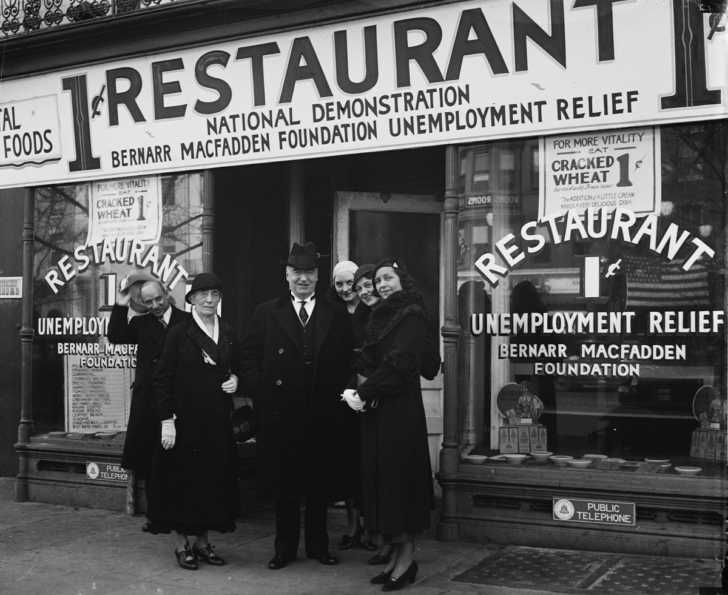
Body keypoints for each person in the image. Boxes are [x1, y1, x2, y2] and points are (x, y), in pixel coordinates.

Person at [240, 241, 355, 570]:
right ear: (286, 275)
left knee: (319, 483)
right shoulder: (267, 312)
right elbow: (247, 355)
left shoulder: (335, 312)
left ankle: (319, 547)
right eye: (297, 273)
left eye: (309, 273)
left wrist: (341, 391)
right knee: (285, 485)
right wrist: (262, 390)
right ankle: (284, 549)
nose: (303, 279)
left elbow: (349, 358)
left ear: (318, 276)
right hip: (281, 412)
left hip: (322, 411)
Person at [341, 258, 440, 591]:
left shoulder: (410, 314)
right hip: (379, 409)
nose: (382, 285)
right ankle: (397, 559)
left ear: (402, 280)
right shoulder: (382, 315)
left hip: (400, 412)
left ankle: (407, 561)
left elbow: (401, 364)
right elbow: (369, 359)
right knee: (385, 485)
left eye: (388, 278)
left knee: (400, 485)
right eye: (378, 280)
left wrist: (364, 390)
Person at [147, 272, 239, 570]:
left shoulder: (227, 330)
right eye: (203, 295)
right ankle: (181, 545)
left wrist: (237, 379)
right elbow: (162, 378)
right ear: (192, 299)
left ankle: (202, 543)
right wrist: (166, 420)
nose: (209, 300)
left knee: (211, 482)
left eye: (214, 294)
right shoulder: (179, 332)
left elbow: (236, 367)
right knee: (181, 483)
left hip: (215, 421)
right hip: (183, 422)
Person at [107, 274, 189, 531]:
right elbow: (116, 336)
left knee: (179, 460)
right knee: (153, 461)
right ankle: (157, 518)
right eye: (149, 302)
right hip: (148, 402)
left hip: (179, 400)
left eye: (158, 299)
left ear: (167, 294)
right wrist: (121, 304)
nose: (156, 305)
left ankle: (182, 515)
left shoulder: (186, 321)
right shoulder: (142, 324)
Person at [328, 260, 376, 552]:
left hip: (367, 393)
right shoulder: (331, 314)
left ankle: (372, 528)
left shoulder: (371, 312)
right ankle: (352, 528)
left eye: (350, 283)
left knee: (368, 463)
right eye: (340, 284)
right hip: (341, 396)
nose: (346, 289)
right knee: (346, 464)